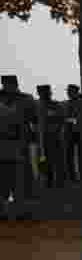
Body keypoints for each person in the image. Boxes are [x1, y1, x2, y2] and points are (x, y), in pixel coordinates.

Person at [0, 75, 33, 218]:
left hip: (19, 145)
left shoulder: (26, 100)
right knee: (3, 180)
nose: (7, 87)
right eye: (5, 84)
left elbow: (33, 121)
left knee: (19, 179)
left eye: (10, 84)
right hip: (2, 146)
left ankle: (20, 210)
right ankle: (4, 209)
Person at [36, 84, 67, 188]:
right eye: (41, 93)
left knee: (58, 161)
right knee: (44, 162)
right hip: (42, 138)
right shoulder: (38, 106)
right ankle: (48, 182)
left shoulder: (56, 105)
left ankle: (60, 182)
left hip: (55, 137)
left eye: (45, 93)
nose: (43, 95)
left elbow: (62, 120)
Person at [63, 84, 82, 183]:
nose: (68, 93)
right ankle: (72, 177)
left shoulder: (80, 102)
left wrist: (71, 120)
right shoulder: (69, 103)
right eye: (68, 92)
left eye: (69, 92)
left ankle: (81, 176)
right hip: (70, 132)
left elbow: (78, 117)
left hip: (79, 132)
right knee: (69, 156)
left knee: (81, 156)